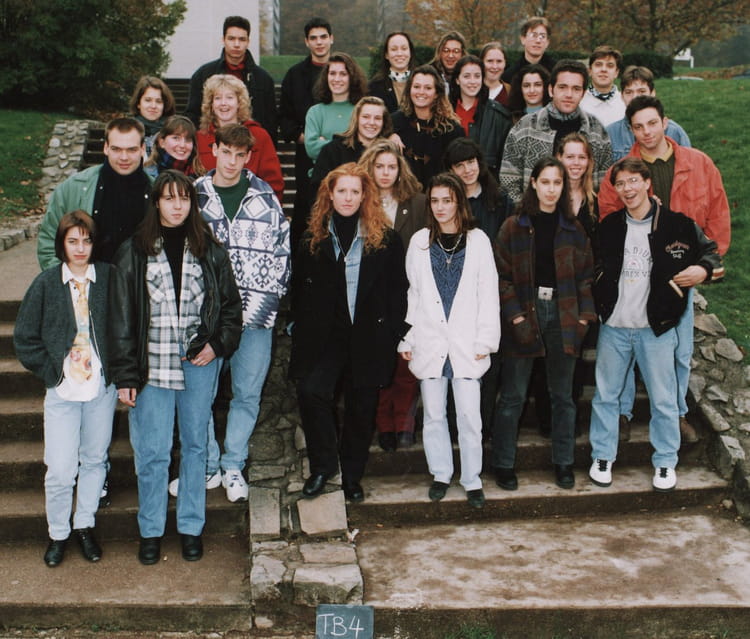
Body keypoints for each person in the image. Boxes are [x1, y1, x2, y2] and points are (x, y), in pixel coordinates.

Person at [108, 171, 242, 565]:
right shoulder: (134, 251)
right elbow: (120, 319)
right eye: (169, 198)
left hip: (198, 363)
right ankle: (150, 529)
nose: (177, 205)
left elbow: (231, 309)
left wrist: (216, 345)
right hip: (151, 365)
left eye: (184, 198)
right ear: (156, 203)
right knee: (153, 451)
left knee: (197, 446)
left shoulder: (209, 250)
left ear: (192, 203)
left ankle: (190, 527)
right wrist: (125, 374)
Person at [598, 95, 730, 443]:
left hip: (679, 276)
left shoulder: (699, 164)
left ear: (665, 123)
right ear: (631, 130)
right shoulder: (621, 173)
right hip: (635, 274)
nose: (647, 132)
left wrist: (706, 266)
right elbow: (608, 221)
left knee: (680, 350)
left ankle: (677, 412)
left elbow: (718, 216)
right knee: (626, 348)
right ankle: (622, 412)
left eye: (652, 123)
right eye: (638, 127)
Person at [588, 158, 721, 492]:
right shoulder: (609, 226)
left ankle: (665, 461)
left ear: (647, 183)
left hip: (657, 328)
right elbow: (592, 265)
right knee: (606, 396)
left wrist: (702, 270)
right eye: (621, 184)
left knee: (663, 399)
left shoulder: (677, 225)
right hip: (615, 326)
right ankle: (602, 456)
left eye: (633, 181)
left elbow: (711, 253)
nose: (627, 189)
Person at [289, 163, 407, 503]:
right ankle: (324, 466)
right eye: (342, 190)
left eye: (355, 191)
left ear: (365, 195)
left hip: (368, 336)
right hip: (325, 338)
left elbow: (398, 290)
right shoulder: (313, 239)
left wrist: (392, 332)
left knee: (361, 408)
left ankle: (352, 475)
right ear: (330, 193)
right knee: (311, 392)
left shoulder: (385, 240)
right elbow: (299, 290)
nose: (348, 198)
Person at [191, 124, 291, 503]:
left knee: (247, 394)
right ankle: (208, 465)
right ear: (214, 149)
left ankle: (233, 464)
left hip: (255, 316)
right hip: (207, 317)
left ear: (248, 156)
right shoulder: (195, 195)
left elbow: (283, 252)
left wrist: (271, 296)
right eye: (226, 152)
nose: (232, 161)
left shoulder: (265, 197)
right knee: (200, 396)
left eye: (239, 154)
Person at [15, 211, 117, 567]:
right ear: (62, 244)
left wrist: (118, 371)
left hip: (100, 390)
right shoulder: (46, 283)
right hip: (62, 392)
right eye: (73, 241)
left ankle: (84, 524)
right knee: (60, 469)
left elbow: (124, 326)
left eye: (86, 241)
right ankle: (58, 532)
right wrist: (52, 372)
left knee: (94, 459)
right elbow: (24, 337)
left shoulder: (108, 278)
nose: (80, 248)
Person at [492, 157, 595, 491]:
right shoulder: (513, 227)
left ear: (564, 187)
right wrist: (516, 316)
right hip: (526, 310)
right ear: (533, 183)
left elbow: (585, 277)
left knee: (563, 396)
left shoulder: (573, 229)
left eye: (557, 183)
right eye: (545, 182)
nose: (551, 189)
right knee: (513, 395)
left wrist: (583, 317)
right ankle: (503, 463)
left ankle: (563, 462)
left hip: (563, 313)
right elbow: (502, 277)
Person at [398, 173, 500, 508]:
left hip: (467, 343)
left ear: (459, 202)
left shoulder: (478, 241)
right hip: (430, 341)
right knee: (433, 415)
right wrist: (408, 337)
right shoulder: (419, 242)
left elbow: (488, 294)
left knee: (470, 416)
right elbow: (413, 294)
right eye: (435, 201)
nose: (441, 207)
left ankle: (472, 479)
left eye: (447, 200)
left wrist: (485, 340)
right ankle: (441, 474)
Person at [358, 139, 427, 450]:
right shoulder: (360, 200)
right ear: (370, 169)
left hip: (409, 291)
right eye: (379, 166)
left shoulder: (417, 203)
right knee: (380, 361)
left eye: (391, 167)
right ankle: (384, 424)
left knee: (406, 362)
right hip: (372, 294)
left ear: (400, 170)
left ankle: (404, 423)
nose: (385, 173)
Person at [444, 138, 513, 438]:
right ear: (451, 170)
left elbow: (509, 246)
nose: (467, 170)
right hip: (455, 295)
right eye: (459, 165)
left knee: (488, 366)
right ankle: (454, 426)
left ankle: (483, 429)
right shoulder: (446, 201)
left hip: (491, 294)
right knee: (455, 364)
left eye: (471, 162)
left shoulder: (500, 200)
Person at [500, 59, 613, 203]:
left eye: (576, 89)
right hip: (533, 213)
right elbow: (508, 179)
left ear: (583, 93)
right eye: (562, 87)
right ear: (550, 90)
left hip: (583, 213)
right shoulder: (525, 127)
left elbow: (605, 183)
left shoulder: (596, 131)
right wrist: (526, 210)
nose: (569, 94)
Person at [280, 17, 335, 244]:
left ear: (331, 39)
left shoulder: (342, 73)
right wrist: (307, 138)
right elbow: (285, 117)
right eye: (313, 38)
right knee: (306, 206)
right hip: (306, 154)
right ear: (306, 42)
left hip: (339, 153)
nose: (319, 42)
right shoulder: (294, 75)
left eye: (323, 37)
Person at [185, 15, 277, 144]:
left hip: (252, 145)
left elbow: (270, 122)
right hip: (212, 144)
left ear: (248, 42)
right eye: (231, 38)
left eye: (242, 39)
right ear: (223, 40)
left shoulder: (263, 79)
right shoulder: (203, 74)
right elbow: (193, 115)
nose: (236, 44)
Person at [195, 74, 284, 204]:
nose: (223, 103)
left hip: (251, 209)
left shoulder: (259, 136)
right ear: (211, 104)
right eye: (218, 98)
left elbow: (274, 183)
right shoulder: (200, 137)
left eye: (230, 97)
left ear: (239, 103)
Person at [390, 64, 463, 188]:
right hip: (402, 193)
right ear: (409, 90)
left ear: (436, 93)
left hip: (438, 194)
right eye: (416, 87)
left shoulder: (451, 129)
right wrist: (389, 135)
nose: (421, 92)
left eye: (428, 88)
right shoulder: (394, 122)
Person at [310, 96, 393, 199]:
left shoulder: (389, 152)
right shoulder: (333, 150)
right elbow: (318, 190)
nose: (372, 122)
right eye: (366, 117)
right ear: (356, 119)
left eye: (377, 118)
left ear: (384, 122)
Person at [606, 66, 691, 161]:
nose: (635, 97)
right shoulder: (610, 134)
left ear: (652, 93)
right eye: (629, 92)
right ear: (622, 96)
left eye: (641, 91)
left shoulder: (674, 132)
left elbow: (689, 165)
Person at [448, 54, 513, 174]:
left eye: (477, 76)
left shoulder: (499, 116)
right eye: (467, 76)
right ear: (457, 80)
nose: (472, 81)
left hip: (486, 181)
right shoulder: (445, 112)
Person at [304, 52, 369, 166]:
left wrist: (327, 144)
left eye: (343, 74)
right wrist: (349, 145)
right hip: (323, 174)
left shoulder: (363, 110)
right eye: (332, 73)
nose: (337, 79)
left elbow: (367, 148)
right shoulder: (315, 112)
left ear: (352, 77)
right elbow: (312, 150)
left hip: (357, 174)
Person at [368, 32, 416, 114]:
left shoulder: (422, 82)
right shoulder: (374, 86)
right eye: (394, 49)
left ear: (410, 52)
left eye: (404, 49)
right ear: (386, 55)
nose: (399, 54)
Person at [579, 46, 626, 128]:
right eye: (598, 65)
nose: (604, 69)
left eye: (610, 66)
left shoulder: (625, 103)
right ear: (590, 71)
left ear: (616, 73)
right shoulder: (579, 102)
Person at [129, 76, 176, 156]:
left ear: (165, 105)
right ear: (138, 103)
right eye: (148, 100)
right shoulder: (126, 130)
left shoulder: (173, 132)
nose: (153, 106)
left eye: (159, 101)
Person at [501, 17, 555, 84]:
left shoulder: (556, 73)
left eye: (542, 36)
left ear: (547, 42)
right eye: (534, 35)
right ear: (523, 39)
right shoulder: (509, 76)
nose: (538, 41)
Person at [481, 42, 511, 106]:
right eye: (490, 61)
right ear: (481, 62)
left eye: (499, 61)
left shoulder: (510, 92)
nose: (495, 66)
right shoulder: (472, 90)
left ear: (505, 63)